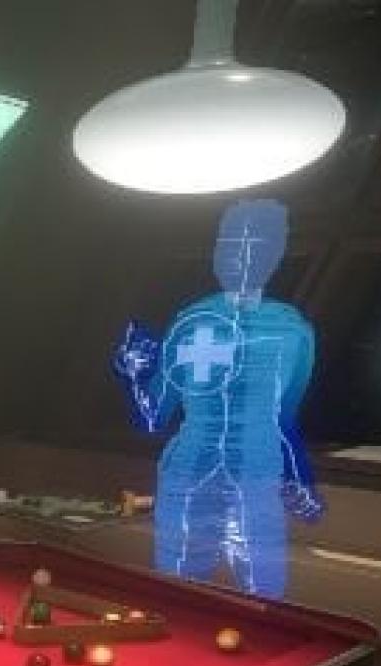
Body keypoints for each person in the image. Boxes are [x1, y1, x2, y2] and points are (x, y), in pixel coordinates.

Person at [112, 199, 323, 599]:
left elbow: (284, 418)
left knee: (265, 596)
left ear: (276, 252)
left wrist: (300, 478)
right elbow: (154, 416)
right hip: (187, 476)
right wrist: (135, 375)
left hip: (257, 475)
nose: (238, 257)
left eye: (254, 245)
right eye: (228, 244)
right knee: (177, 592)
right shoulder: (190, 322)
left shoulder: (293, 330)